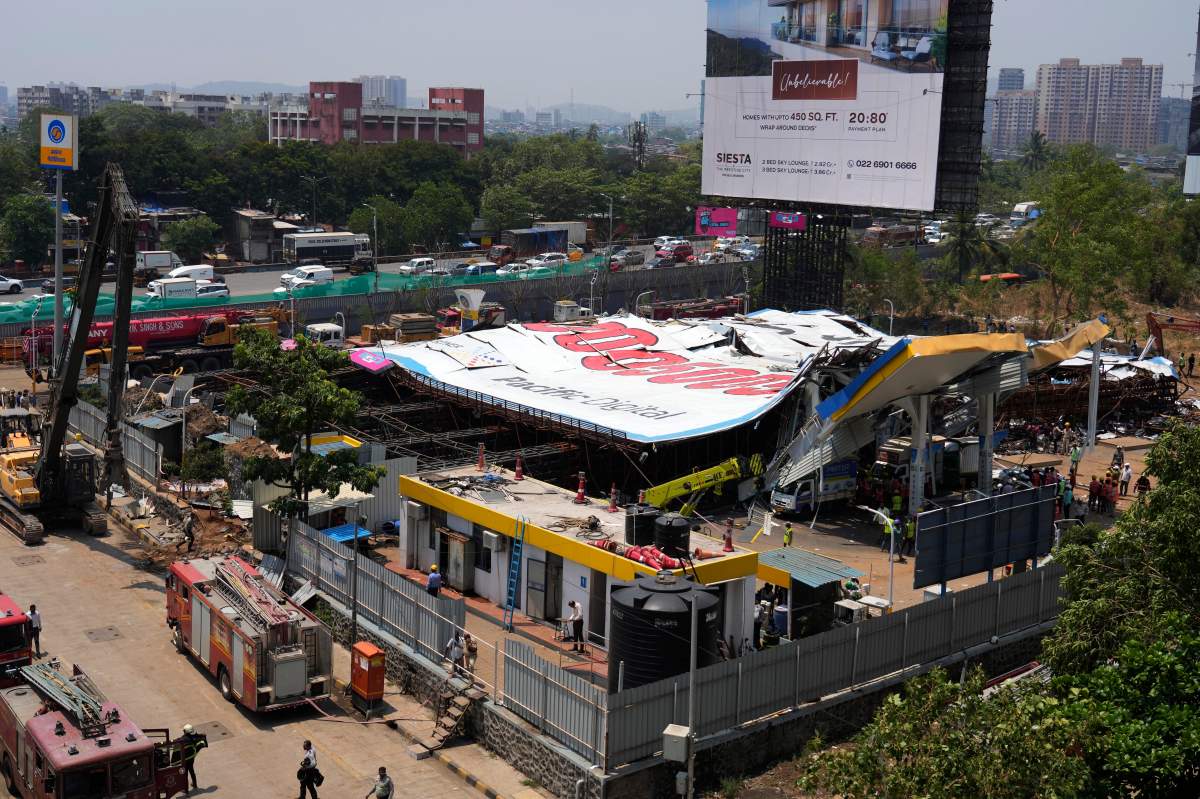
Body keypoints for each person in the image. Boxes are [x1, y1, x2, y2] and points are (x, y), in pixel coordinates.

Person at [178, 723, 207, 795]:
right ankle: (195, 784)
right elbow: (198, 736)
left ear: (185, 731)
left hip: (185, 759)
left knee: (185, 774)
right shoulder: (194, 737)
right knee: (191, 770)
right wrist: (202, 735)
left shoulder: (183, 739)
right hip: (192, 758)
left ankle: (186, 790)